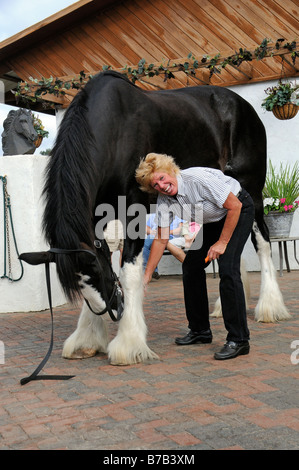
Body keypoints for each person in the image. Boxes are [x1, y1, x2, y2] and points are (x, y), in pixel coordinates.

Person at [135, 152, 255, 360]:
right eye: (155, 185)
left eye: (162, 178)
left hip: (238, 209)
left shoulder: (196, 179)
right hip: (214, 221)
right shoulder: (165, 200)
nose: (162, 186)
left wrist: (222, 242)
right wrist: (145, 277)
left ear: (170, 171)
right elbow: (161, 239)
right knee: (191, 266)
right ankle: (200, 330)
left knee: (228, 268)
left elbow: (234, 205)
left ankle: (239, 339)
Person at [143, 213, 185, 279]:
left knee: (147, 243)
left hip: (170, 237)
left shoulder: (178, 214)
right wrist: (151, 231)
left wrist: (163, 232)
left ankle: (149, 271)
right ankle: (152, 271)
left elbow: (178, 230)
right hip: (154, 236)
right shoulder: (155, 214)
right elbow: (147, 228)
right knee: (145, 244)